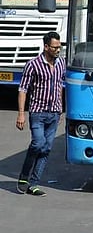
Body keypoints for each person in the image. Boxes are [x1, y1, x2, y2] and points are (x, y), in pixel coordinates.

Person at [15, 31, 65, 196]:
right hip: (37, 112)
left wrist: (60, 108)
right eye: (55, 47)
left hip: (54, 112)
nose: (58, 50)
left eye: (59, 47)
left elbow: (59, 85)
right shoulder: (33, 64)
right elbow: (23, 89)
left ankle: (34, 183)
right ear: (46, 47)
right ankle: (24, 176)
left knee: (46, 148)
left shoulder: (61, 63)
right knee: (38, 143)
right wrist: (21, 114)